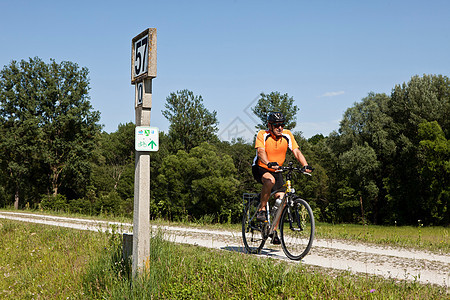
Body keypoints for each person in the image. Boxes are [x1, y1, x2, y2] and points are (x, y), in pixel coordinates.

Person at [252, 111, 312, 244]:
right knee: (270, 180)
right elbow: (260, 151)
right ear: (270, 125)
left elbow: (296, 151)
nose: (280, 128)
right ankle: (261, 209)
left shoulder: (287, 135)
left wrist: (305, 165)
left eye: (282, 125)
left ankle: (272, 231)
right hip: (261, 167)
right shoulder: (263, 134)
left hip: (277, 169)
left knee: (283, 200)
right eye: (277, 125)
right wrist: (268, 163)